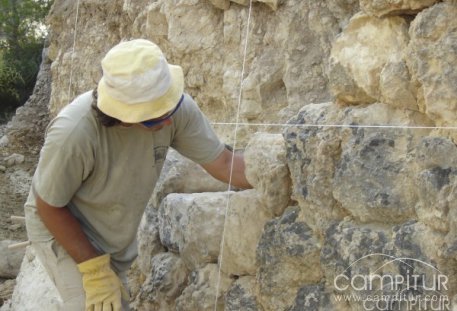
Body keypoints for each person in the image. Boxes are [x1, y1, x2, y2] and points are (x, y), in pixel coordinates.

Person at [24, 38, 252, 311]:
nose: (167, 120)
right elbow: (48, 205)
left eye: (168, 107)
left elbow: (226, 164)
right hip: (62, 226)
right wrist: (95, 271)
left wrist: (271, 173)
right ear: (122, 114)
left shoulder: (173, 109)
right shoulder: (74, 133)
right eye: (153, 117)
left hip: (111, 228)